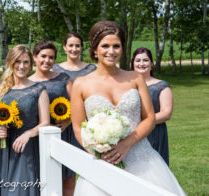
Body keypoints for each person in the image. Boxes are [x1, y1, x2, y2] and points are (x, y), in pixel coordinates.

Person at [71, 21, 185, 195]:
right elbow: (78, 127)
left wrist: (127, 144)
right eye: (105, 46)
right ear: (94, 49)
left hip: (142, 157)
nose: (111, 51)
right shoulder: (80, 84)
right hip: (103, 160)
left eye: (116, 46)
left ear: (122, 49)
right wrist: (99, 152)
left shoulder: (136, 78)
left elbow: (149, 118)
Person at [0, 44, 50, 196]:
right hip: (3, 148)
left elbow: (45, 122)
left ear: (31, 65)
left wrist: (28, 134)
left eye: (25, 62)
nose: (21, 66)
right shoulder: (0, 90)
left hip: (27, 148)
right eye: (17, 62)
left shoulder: (38, 90)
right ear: (11, 63)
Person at [29, 40, 75, 196]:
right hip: (38, 136)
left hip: (64, 133)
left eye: (51, 57)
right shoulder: (28, 82)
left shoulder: (63, 78)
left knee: (67, 179)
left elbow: (77, 103)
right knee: (41, 179)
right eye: (43, 56)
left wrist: (69, 120)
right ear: (35, 57)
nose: (47, 61)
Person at [131, 47, 173, 165]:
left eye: (145, 60)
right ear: (133, 63)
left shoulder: (161, 86)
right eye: (138, 60)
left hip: (154, 133)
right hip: (130, 134)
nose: (141, 64)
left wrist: (143, 123)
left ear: (151, 63)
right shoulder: (126, 85)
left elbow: (166, 113)